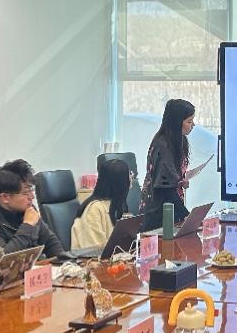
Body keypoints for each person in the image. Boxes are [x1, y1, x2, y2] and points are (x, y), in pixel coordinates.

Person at [0, 159, 66, 258]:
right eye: (25, 193)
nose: (32, 197)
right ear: (5, 197)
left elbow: (50, 242)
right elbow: (5, 260)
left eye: (31, 190)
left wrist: (64, 261)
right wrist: (27, 226)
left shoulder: (28, 209)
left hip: (36, 266)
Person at [139, 98, 195, 230]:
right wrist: (188, 216)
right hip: (158, 215)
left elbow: (171, 178)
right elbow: (165, 189)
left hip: (171, 210)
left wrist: (180, 181)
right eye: (189, 121)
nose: (193, 125)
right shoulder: (163, 146)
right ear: (177, 122)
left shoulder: (179, 140)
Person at [71, 158, 131, 250]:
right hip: (90, 257)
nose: (131, 178)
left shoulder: (118, 204)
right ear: (120, 182)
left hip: (114, 256)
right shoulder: (94, 209)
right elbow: (95, 249)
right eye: (129, 175)